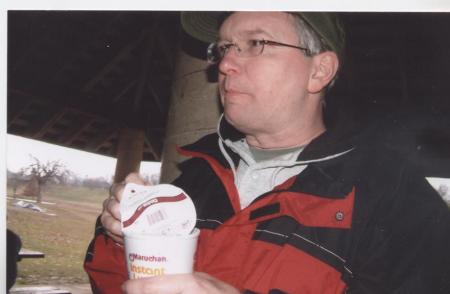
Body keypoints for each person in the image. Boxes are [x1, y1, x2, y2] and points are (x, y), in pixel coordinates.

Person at [84, 11, 450, 294]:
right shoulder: (193, 181)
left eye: (257, 43)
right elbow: (109, 281)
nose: (225, 64)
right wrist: (125, 240)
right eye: (224, 48)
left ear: (319, 71)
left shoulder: (398, 200)